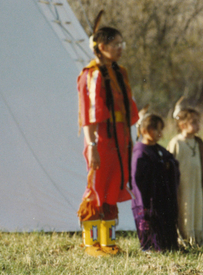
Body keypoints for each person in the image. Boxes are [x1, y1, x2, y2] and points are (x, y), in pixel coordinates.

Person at [77, 26, 139, 256]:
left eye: (122, 43)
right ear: (102, 47)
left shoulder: (120, 72)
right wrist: (91, 146)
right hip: (101, 138)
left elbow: (128, 105)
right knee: (97, 186)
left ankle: (108, 243)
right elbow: (88, 115)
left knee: (114, 185)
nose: (120, 48)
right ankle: (91, 244)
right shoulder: (91, 74)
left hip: (120, 138)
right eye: (116, 44)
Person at [167, 108, 203, 246]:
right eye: (193, 122)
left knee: (197, 210)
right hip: (182, 186)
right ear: (182, 125)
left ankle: (197, 239)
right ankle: (184, 239)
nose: (198, 125)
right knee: (184, 210)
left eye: (198, 122)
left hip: (197, 184)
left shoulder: (199, 143)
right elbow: (168, 166)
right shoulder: (176, 142)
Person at [131, 114, 180, 251]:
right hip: (148, 199)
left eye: (161, 129)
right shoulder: (140, 152)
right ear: (145, 131)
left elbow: (172, 162)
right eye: (156, 129)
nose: (160, 133)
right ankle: (150, 247)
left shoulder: (159, 149)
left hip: (162, 197)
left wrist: (170, 165)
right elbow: (137, 178)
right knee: (150, 224)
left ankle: (168, 246)